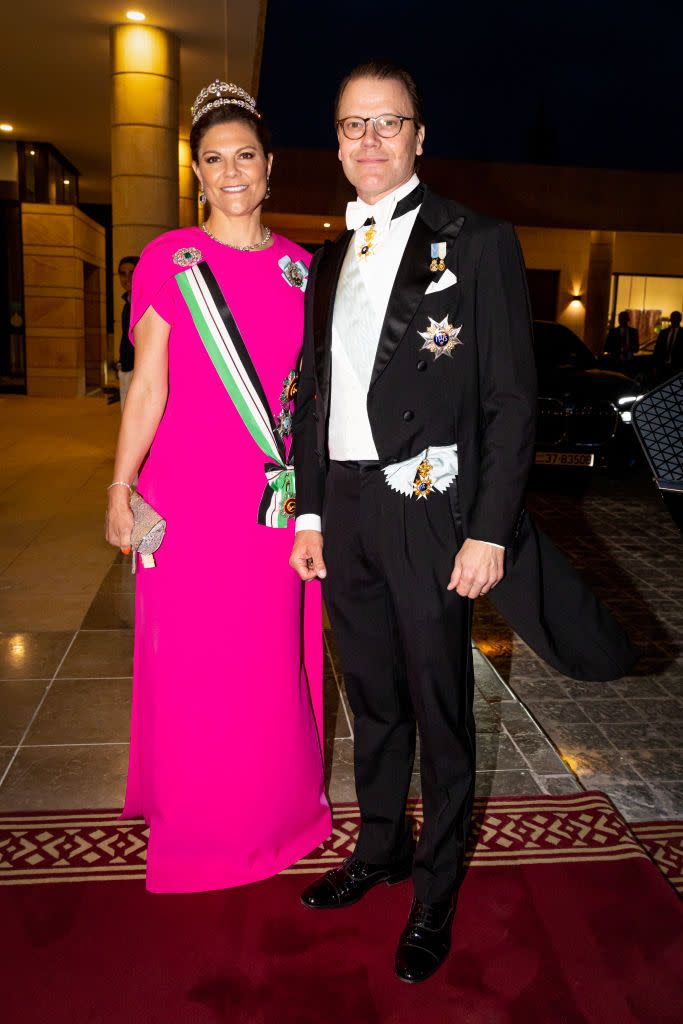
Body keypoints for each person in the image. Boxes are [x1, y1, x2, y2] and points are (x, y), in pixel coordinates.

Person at [290, 61, 637, 984]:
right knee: (370, 695)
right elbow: (314, 397)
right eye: (351, 125)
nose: (367, 141)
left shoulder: (475, 241)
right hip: (347, 509)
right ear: (334, 141)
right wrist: (312, 507)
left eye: (386, 123)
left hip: (428, 510)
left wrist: (487, 530)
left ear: (417, 136)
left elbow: (510, 401)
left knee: (439, 704)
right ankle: (379, 849)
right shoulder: (325, 259)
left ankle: (434, 891)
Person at [105, 80, 331, 893]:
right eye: (212, 159)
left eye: (245, 157)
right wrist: (120, 485)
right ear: (195, 173)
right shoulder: (170, 260)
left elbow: (317, 405)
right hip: (190, 501)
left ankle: (280, 817)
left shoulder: (306, 272)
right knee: (196, 665)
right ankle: (198, 823)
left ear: (270, 168)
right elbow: (148, 386)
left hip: (271, 504)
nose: (230, 172)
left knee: (271, 662)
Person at [116, 255, 139, 409]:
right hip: (127, 367)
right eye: (122, 273)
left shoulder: (146, 302)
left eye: (132, 272)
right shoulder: (128, 302)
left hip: (139, 370)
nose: (127, 278)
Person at [654, 310, 683, 381]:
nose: (674, 320)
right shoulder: (663, 332)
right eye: (673, 318)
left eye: (676, 318)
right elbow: (657, 349)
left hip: (677, 367)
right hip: (662, 366)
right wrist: (655, 365)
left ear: (680, 319)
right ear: (670, 319)